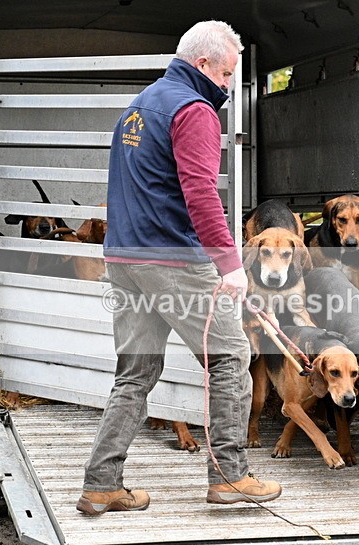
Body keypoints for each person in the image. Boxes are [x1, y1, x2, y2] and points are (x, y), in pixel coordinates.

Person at [76, 21, 281, 515]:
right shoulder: (194, 110)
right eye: (228, 75)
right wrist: (230, 264)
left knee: (135, 374)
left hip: (125, 258)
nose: (229, 86)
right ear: (204, 64)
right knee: (231, 358)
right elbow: (200, 192)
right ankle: (229, 475)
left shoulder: (140, 105)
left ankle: (101, 483)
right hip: (173, 258)